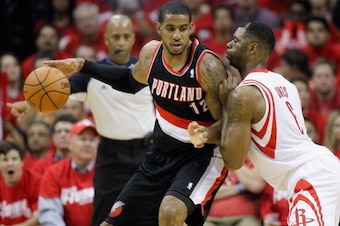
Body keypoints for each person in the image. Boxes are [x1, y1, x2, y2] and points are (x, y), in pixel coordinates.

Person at [43, 2, 228, 225]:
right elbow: (129, 82)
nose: (177, 35)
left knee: (170, 213)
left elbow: (227, 123)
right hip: (160, 153)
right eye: (170, 28)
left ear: (191, 27)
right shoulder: (151, 54)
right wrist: (83, 65)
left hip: (200, 157)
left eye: (182, 28)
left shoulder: (207, 66)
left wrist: (207, 134)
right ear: (159, 28)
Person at [8, 14, 156, 225]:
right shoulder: (91, 75)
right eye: (116, 37)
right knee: (105, 216)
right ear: (106, 39)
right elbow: (55, 90)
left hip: (148, 152)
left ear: (133, 39)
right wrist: (27, 103)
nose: (121, 42)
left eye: (125, 36)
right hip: (112, 155)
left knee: (152, 216)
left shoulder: (145, 72)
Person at [187, 22, 340, 225]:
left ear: (252, 48)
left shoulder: (244, 94)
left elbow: (234, 160)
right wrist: (207, 134)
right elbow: (254, 128)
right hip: (317, 168)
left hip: (309, 176)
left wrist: (226, 104)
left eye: (236, 40)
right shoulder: (285, 83)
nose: (229, 44)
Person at [38, 118, 99, 226]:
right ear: (70, 143)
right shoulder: (54, 172)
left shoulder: (107, 172)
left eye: (92, 140)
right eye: (82, 139)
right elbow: (49, 212)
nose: (87, 144)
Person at [0, 141, 41, 225]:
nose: (10, 164)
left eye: (14, 159)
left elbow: (39, 217)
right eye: (5, 160)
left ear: (22, 162)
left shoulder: (36, 181)